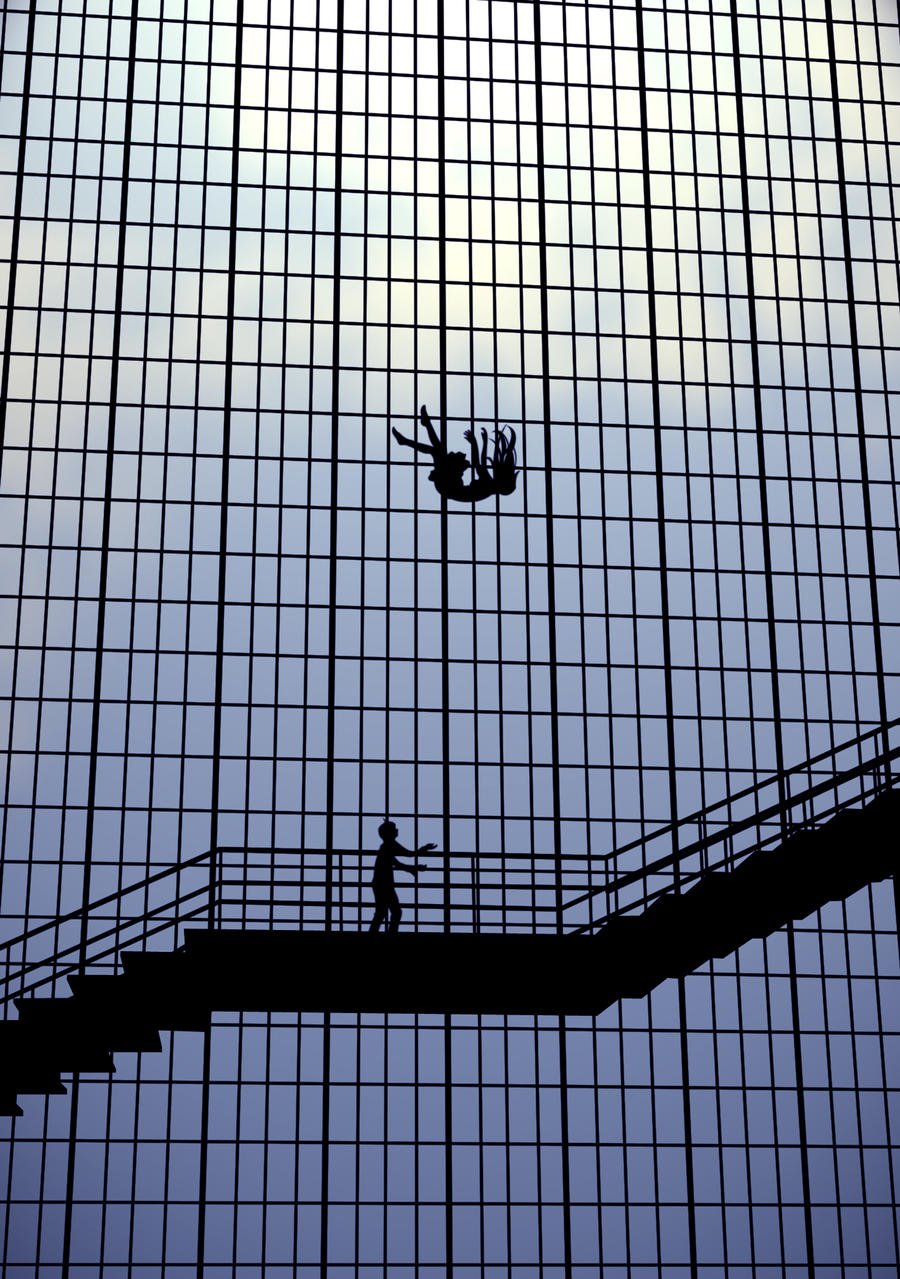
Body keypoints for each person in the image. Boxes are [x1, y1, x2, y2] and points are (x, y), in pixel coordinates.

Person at [392, 404, 518, 502]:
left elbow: (479, 463)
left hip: (448, 485)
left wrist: (478, 443)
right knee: (437, 450)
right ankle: (415, 432)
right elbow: (480, 463)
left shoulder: (489, 486)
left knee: (437, 451)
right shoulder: (489, 486)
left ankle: (417, 431)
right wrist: (479, 443)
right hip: (449, 484)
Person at [368, 819, 437, 933]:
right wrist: (415, 867)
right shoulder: (388, 846)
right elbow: (402, 860)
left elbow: (407, 855)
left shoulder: (388, 845)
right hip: (384, 884)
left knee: (383, 912)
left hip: (381, 883)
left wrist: (420, 854)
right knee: (392, 912)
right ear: (389, 833)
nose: (397, 830)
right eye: (394, 828)